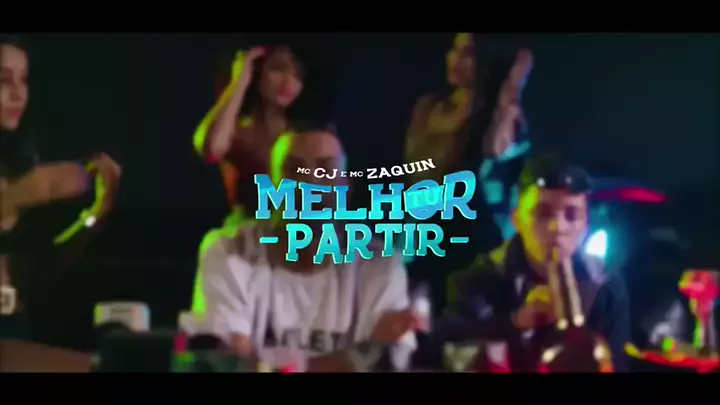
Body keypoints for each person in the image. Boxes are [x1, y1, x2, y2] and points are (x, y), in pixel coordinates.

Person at [196, 126, 421, 372]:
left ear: (346, 187)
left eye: (326, 169)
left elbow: (383, 366)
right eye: (293, 170)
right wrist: (354, 358)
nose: (310, 183)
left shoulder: (380, 263)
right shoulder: (229, 251)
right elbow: (226, 367)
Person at [421, 154, 631, 372]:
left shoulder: (605, 285)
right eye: (543, 213)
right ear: (517, 219)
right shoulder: (482, 277)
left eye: (571, 215)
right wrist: (517, 324)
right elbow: (446, 348)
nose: (557, 228)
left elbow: (619, 364)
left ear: (585, 225)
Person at [0, 36, 122, 341]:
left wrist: (93, 217)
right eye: (3, 80)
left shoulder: (15, 166)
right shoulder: (26, 183)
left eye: (24, 80)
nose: (18, 93)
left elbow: (39, 269)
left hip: (13, 329)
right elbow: (40, 187)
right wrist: (85, 173)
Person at [402, 33, 534, 310]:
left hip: (470, 245)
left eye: (468, 54)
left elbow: (497, 151)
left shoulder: (498, 115)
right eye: (454, 50)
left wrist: (510, 88)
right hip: (424, 236)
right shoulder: (429, 108)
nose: (455, 60)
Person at [190, 45, 305, 312]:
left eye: (297, 74)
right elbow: (210, 147)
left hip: (293, 247)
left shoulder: (301, 136)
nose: (289, 81)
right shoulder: (240, 131)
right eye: (278, 69)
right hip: (244, 248)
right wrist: (240, 78)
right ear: (257, 73)